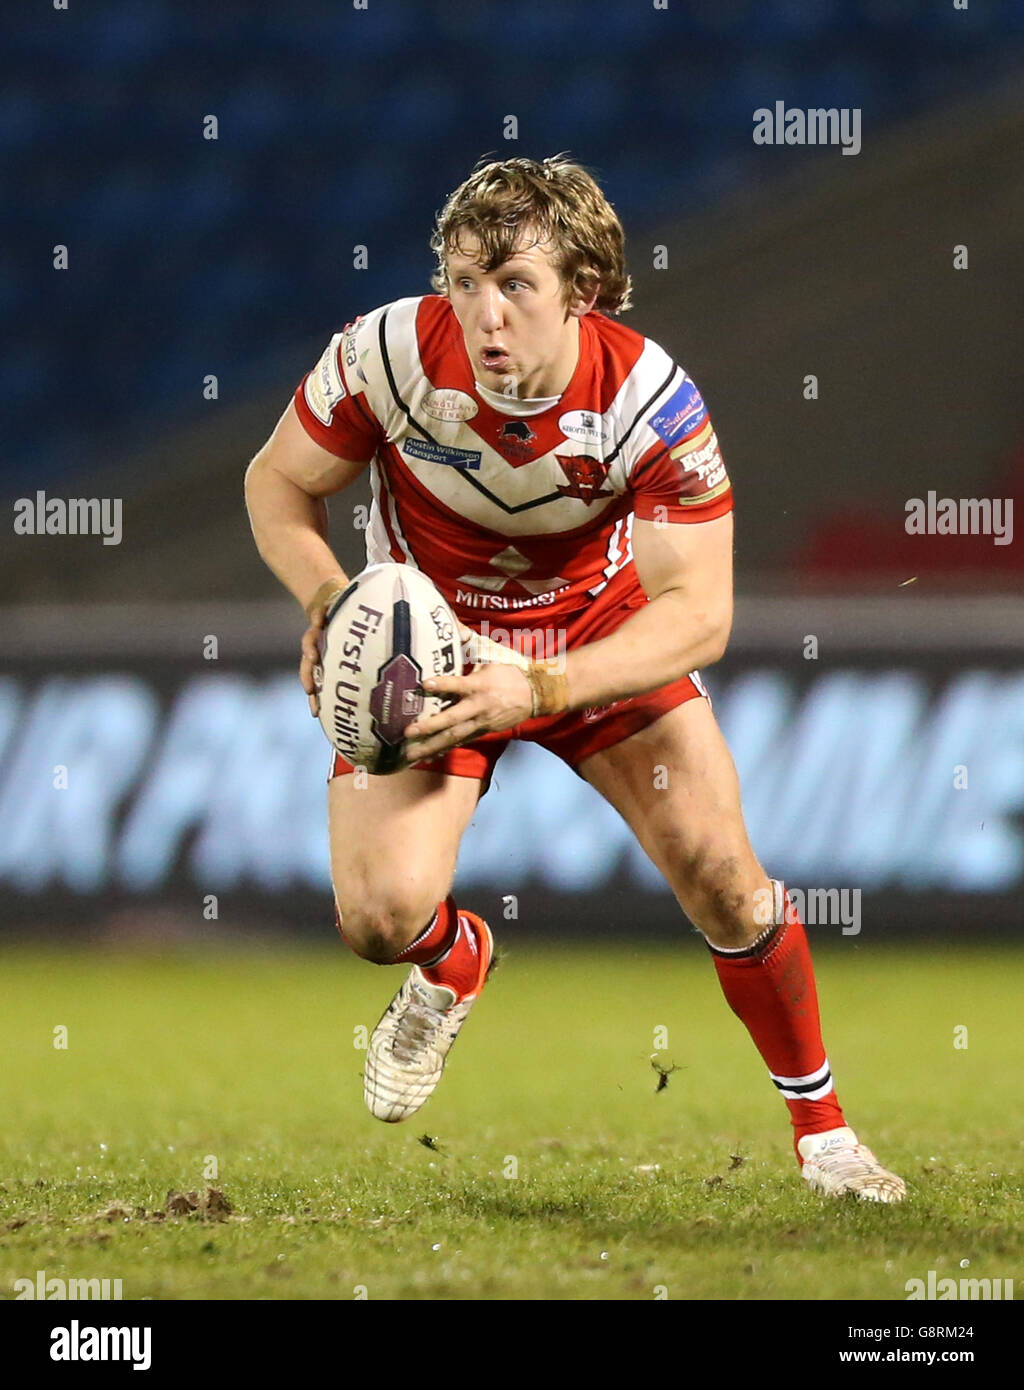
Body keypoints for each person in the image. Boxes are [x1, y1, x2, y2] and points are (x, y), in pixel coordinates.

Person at [244, 154, 905, 1202]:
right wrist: (329, 598)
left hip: (591, 643)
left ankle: (823, 1133)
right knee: (377, 919)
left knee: (725, 878)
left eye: (515, 285)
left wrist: (546, 685)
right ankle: (453, 960)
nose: (484, 316)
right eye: (465, 282)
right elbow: (276, 481)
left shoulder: (650, 400)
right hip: (432, 651)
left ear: (581, 292)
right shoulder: (385, 354)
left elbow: (702, 614)